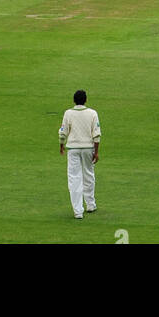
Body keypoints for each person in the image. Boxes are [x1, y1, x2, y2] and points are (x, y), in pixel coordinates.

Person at [58, 88, 101, 219]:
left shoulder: (68, 113)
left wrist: (61, 144)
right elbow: (97, 134)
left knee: (74, 178)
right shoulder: (92, 113)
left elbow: (63, 131)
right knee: (88, 174)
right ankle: (90, 204)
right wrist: (96, 152)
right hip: (88, 148)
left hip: (73, 149)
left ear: (74, 101)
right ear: (86, 100)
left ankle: (78, 211)